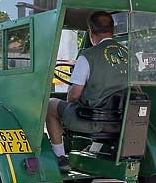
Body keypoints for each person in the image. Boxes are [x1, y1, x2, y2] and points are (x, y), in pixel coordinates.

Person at [46, 11, 128, 172]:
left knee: (51, 105)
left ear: (91, 32)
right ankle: (93, 149)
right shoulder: (130, 55)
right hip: (122, 121)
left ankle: (60, 157)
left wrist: (72, 97)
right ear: (113, 31)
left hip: (93, 121)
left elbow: (74, 95)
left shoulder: (88, 56)